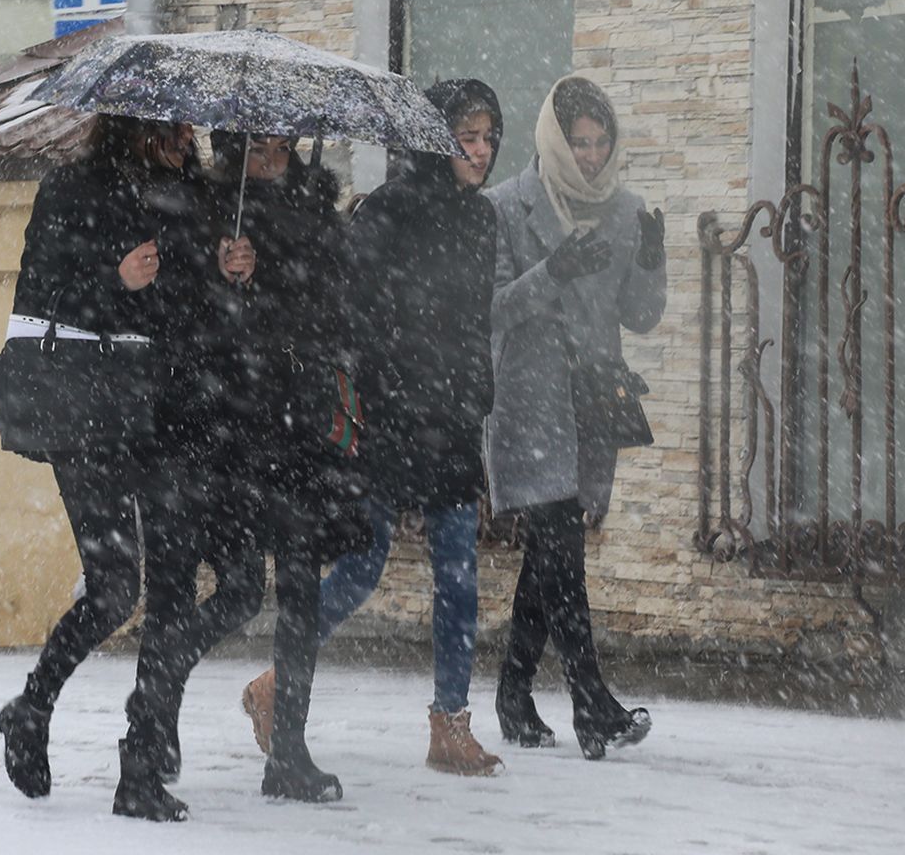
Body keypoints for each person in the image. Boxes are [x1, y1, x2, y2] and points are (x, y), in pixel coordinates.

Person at [240, 79, 505, 777]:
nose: (479, 151)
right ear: (434, 142)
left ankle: (450, 724)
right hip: (389, 416)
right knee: (363, 566)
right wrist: (380, 393)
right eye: (465, 138)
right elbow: (350, 316)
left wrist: (475, 397)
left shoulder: (481, 221)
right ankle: (278, 682)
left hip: (450, 417)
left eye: (487, 138)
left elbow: (475, 323)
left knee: (458, 573)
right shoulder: (384, 214)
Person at [0, 115, 229, 818]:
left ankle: (141, 767)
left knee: (173, 595)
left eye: (189, 124)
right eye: (168, 123)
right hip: (91, 411)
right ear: (130, 123)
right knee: (114, 587)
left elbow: (197, 312)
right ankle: (31, 707)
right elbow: (37, 301)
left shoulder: (197, 194)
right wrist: (114, 280)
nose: (183, 135)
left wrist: (227, 272)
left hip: (169, 414)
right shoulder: (73, 188)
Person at [485, 75, 667, 760]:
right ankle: (593, 704)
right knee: (560, 546)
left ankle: (512, 693)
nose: (591, 157)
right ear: (554, 142)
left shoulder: (625, 211)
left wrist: (652, 262)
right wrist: (551, 273)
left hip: (592, 402)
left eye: (601, 144)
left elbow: (641, 315)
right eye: (579, 144)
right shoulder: (506, 207)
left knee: (549, 554)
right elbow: (490, 310)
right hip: (530, 404)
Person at [184, 130, 365, 803]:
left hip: (297, 427)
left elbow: (335, 309)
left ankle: (288, 749)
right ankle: (155, 705)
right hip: (229, 427)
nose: (272, 159)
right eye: (258, 147)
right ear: (234, 149)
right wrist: (226, 277)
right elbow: (190, 320)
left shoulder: (317, 211)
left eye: (283, 146)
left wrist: (277, 283)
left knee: (301, 587)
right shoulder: (208, 211)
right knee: (235, 591)